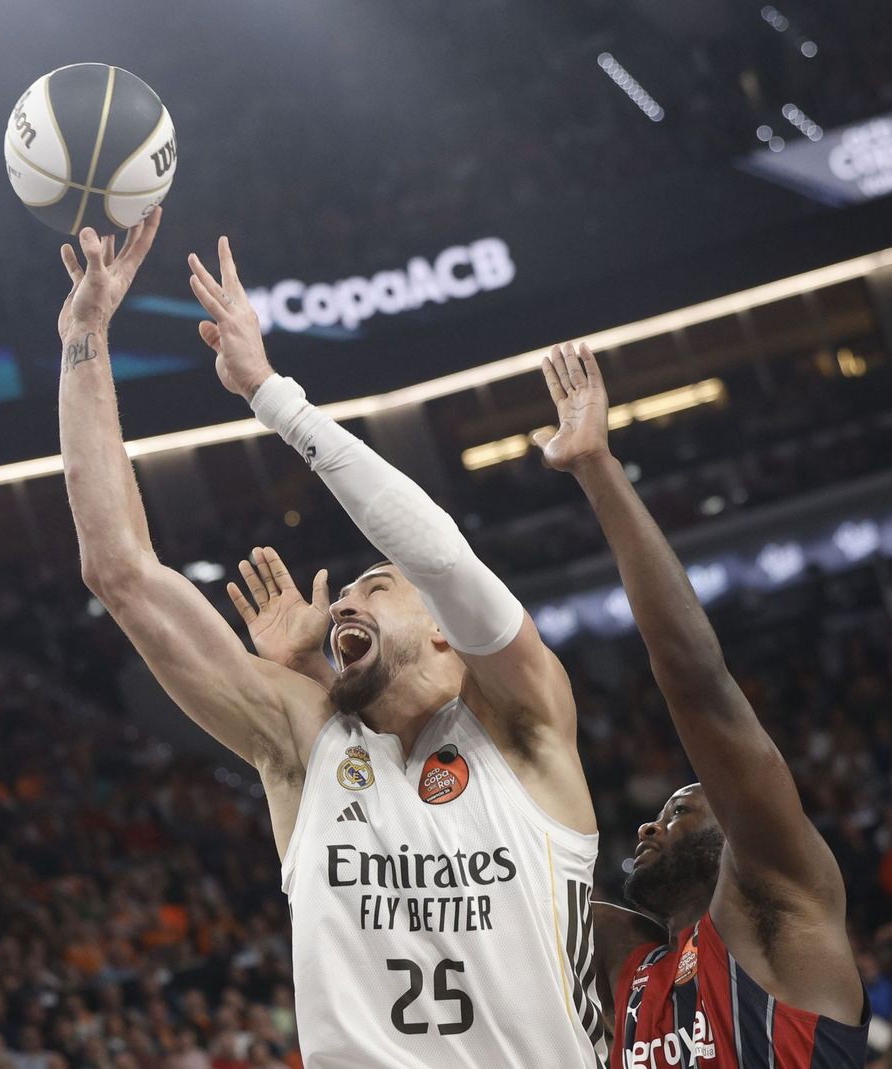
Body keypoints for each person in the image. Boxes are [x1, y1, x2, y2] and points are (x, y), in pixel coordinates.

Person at [57, 213, 608, 1066]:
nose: (344, 599)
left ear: (445, 630)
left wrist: (269, 393)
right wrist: (83, 339)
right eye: (346, 592)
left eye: (375, 587)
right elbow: (119, 570)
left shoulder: (525, 723)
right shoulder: (307, 745)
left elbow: (439, 556)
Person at [537, 342, 868, 1066]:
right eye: (667, 810)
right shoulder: (631, 966)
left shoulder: (783, 903)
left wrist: (596, 467)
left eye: (681, 807)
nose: (649, 824)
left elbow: (697, 684)